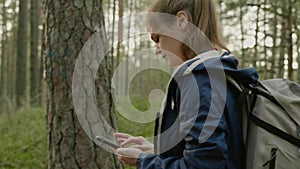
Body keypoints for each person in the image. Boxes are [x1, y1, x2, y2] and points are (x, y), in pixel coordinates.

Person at [115, 0, 258, 168]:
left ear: (181, 21)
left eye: (156, 37)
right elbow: (221, 151)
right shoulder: (220, 70)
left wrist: (143, 161)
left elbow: (202, 165)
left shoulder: (199, 80)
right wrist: (157, 150)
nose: (157, 48)